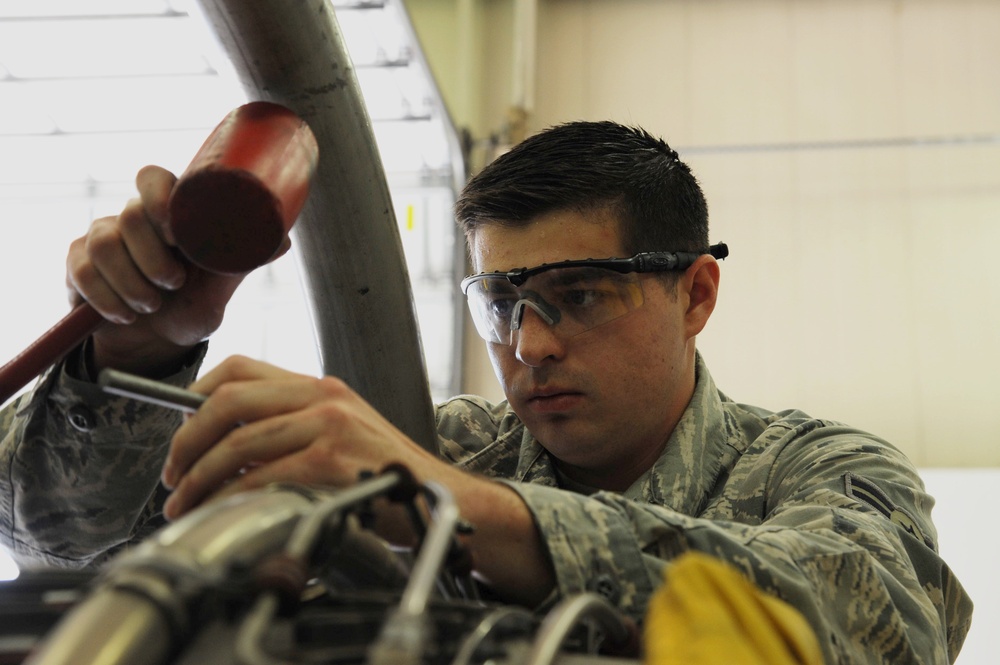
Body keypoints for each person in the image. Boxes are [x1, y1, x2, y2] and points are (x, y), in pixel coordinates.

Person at [0, 121, 972, 663]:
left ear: (696, 294)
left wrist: (445, 505)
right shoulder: (428, 436)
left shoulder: (821, 469)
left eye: (578, 295)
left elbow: (873, 627)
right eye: (498, 302)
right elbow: (55, 535)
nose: (529, 344)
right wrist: (137, 361)